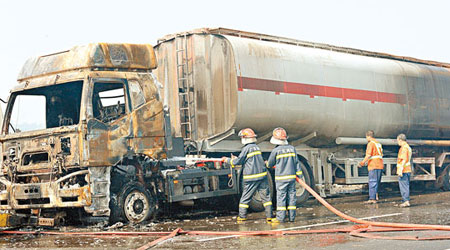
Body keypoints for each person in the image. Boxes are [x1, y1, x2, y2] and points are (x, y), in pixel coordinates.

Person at [222, 128, 273, 222]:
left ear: (245, 138)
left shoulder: (246, 149)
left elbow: (238, 161)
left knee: (245, 198)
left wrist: (227, 160)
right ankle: (269, 216)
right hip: (262, 176)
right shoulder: (256, 147)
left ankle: (242, 217)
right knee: (266, 198)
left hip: (251, 178)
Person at [267, 127, 303, 223]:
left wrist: (267, 163)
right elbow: (297, 164)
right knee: (292, 197)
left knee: (281, 198)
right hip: (291, 178)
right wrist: (300, 176)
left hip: (281, 179)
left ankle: (280, 218)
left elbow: (270, 164)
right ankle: (292, 217)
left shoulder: (276, 151)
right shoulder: (292, 149)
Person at [359, 130, 384, 204]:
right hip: (380, 165)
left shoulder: (370, 144)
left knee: (372, 181)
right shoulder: (378, 143)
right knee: (377, 182)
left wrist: (362, 163)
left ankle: (372, 198)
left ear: (368, 136)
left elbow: (368, 155)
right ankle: (376, 196)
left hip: (374, 165)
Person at [396, 133, 412, 207]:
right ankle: (405, 200)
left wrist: (400, 169)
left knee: (404, 186)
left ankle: (406, 201)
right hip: (407, 169)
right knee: (406, 185)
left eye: (398, 141)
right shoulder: (408, 147)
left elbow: (404, 159)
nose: (397, 142)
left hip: (404, 170)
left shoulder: (404, 148)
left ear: (400, 140)